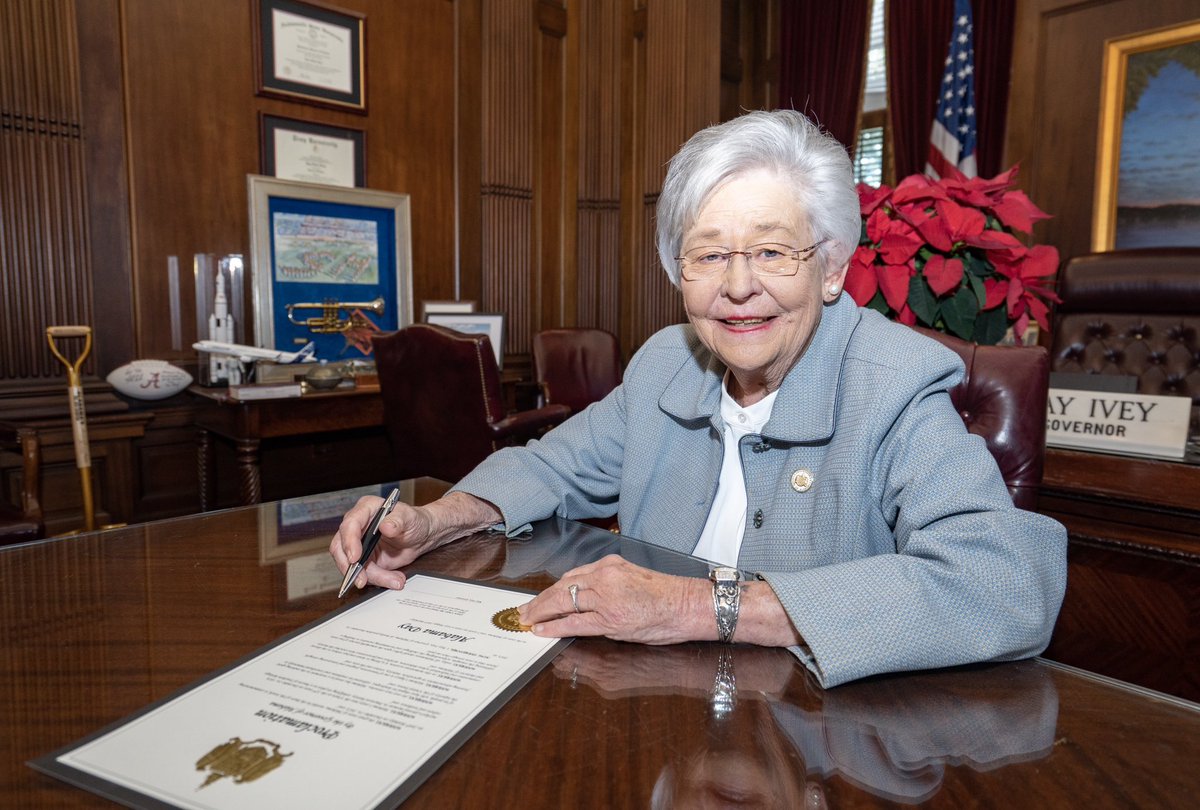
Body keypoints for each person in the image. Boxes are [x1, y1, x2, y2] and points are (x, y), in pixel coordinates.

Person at [330, 109, 1067, 688]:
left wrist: (692, 606)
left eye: (774, 251)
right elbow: (551, 468)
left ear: (833, 268)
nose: (737, 285)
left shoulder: (894, 386)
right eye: (708, 254)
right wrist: (433, 520)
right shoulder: (666, 365)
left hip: (819, 742)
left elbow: (1002, 586)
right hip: (654, 708)